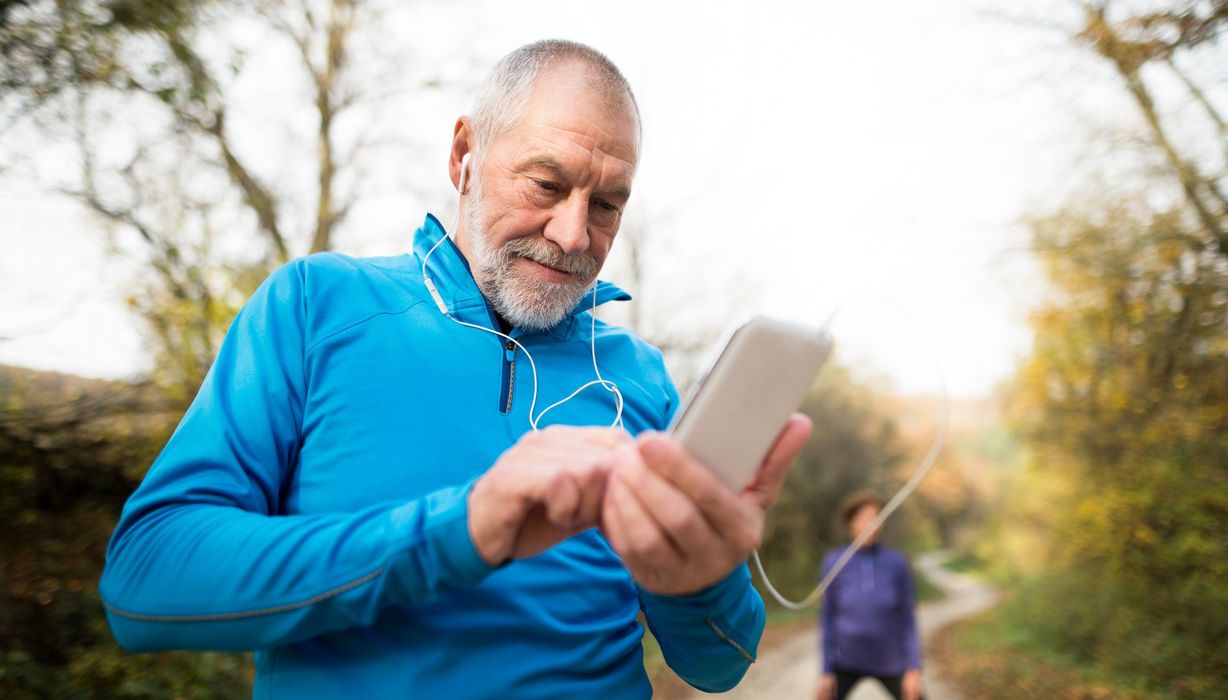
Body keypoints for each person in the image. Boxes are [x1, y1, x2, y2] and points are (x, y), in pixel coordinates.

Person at [98, 39, 813, 698]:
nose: (573, 234)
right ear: (464, 154)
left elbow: (716, 663)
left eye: (605, 204)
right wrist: (459, 529)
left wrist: (698, 583)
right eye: (544, 184)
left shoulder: (642, 379)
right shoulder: (315, 305)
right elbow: (144, 584)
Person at [817, 490, 923, 700]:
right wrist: (826, 671)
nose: (872, 525)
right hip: (846, 661)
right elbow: (827, 619)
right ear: (851, 521)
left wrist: (913, 668)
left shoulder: (897, 562)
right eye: (866, 519)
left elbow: (908, 620)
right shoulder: (833, 562)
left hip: (891, 662)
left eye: (877, 519)